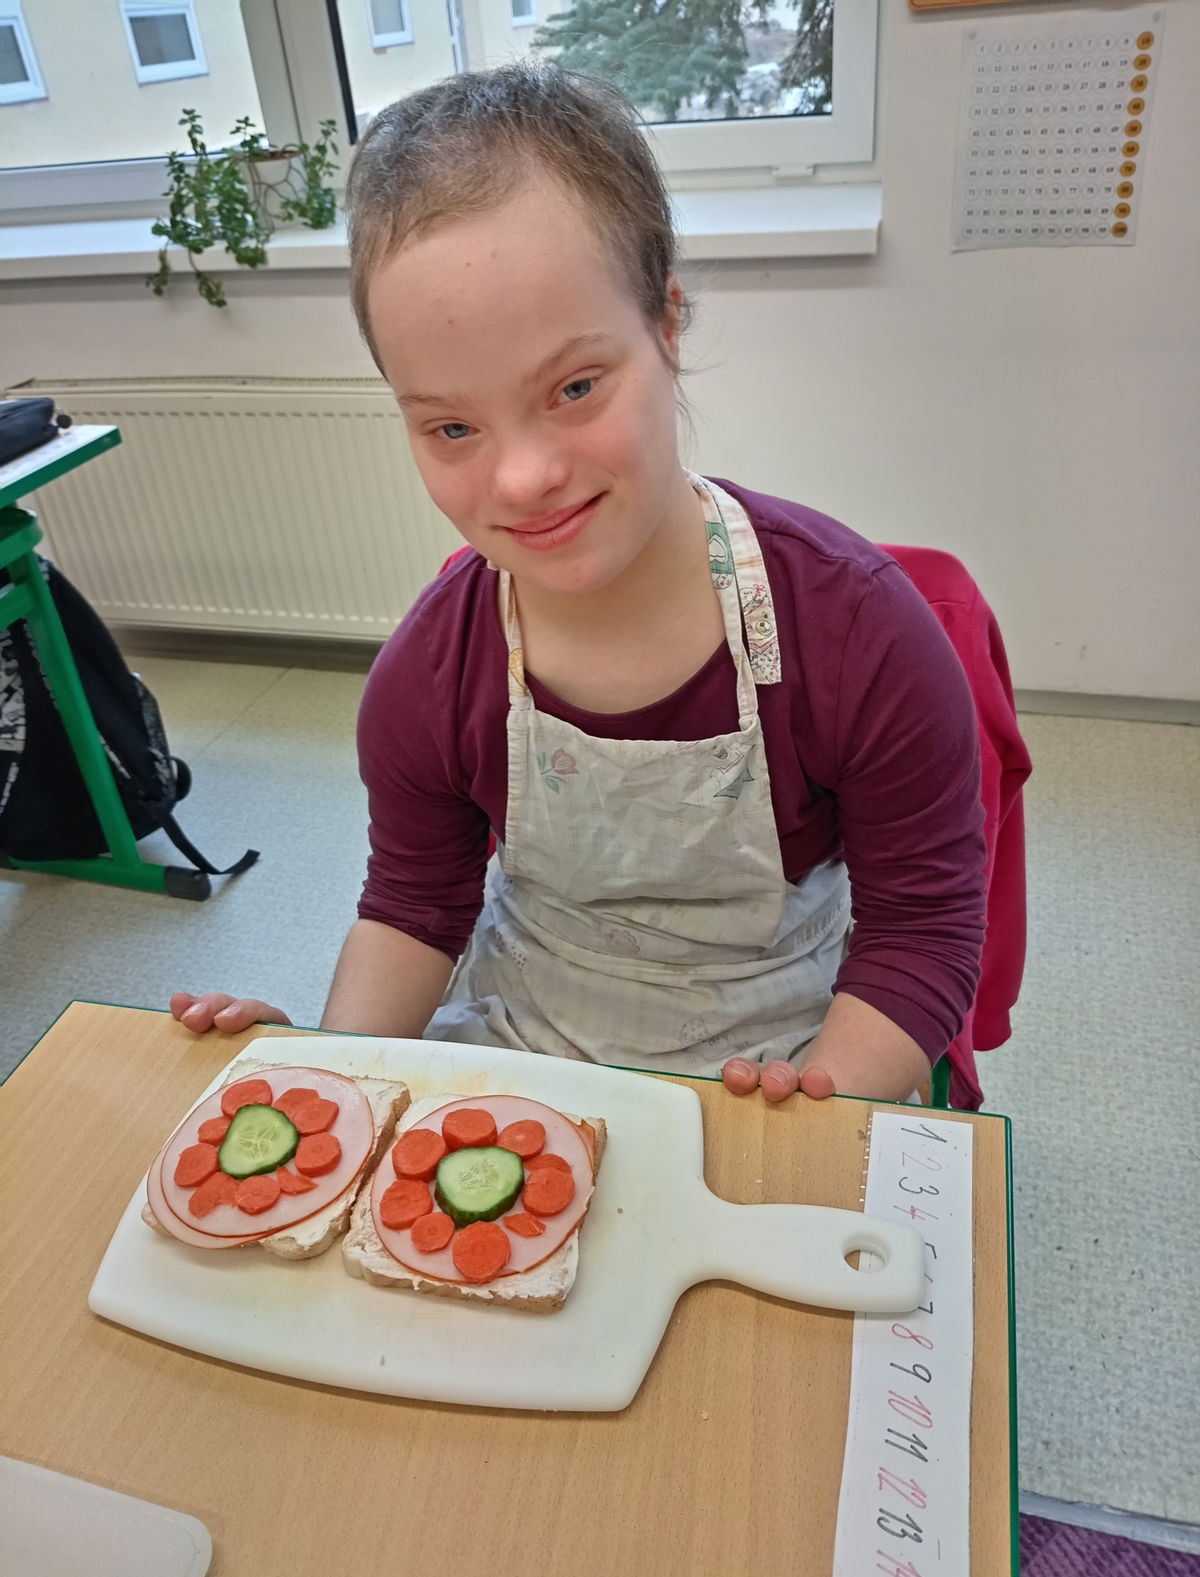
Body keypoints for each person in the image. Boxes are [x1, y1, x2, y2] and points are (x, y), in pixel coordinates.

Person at [172, 64, 986, 1107]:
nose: (521, 478)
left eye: (574, 387)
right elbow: (415, 908)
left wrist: (813, 1111)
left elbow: (924, 928)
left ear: (668, 325)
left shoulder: (858, 634)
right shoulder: (429, 676)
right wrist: (330, 1073)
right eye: (451, 426)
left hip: (789, 1055)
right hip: (521, 1039)